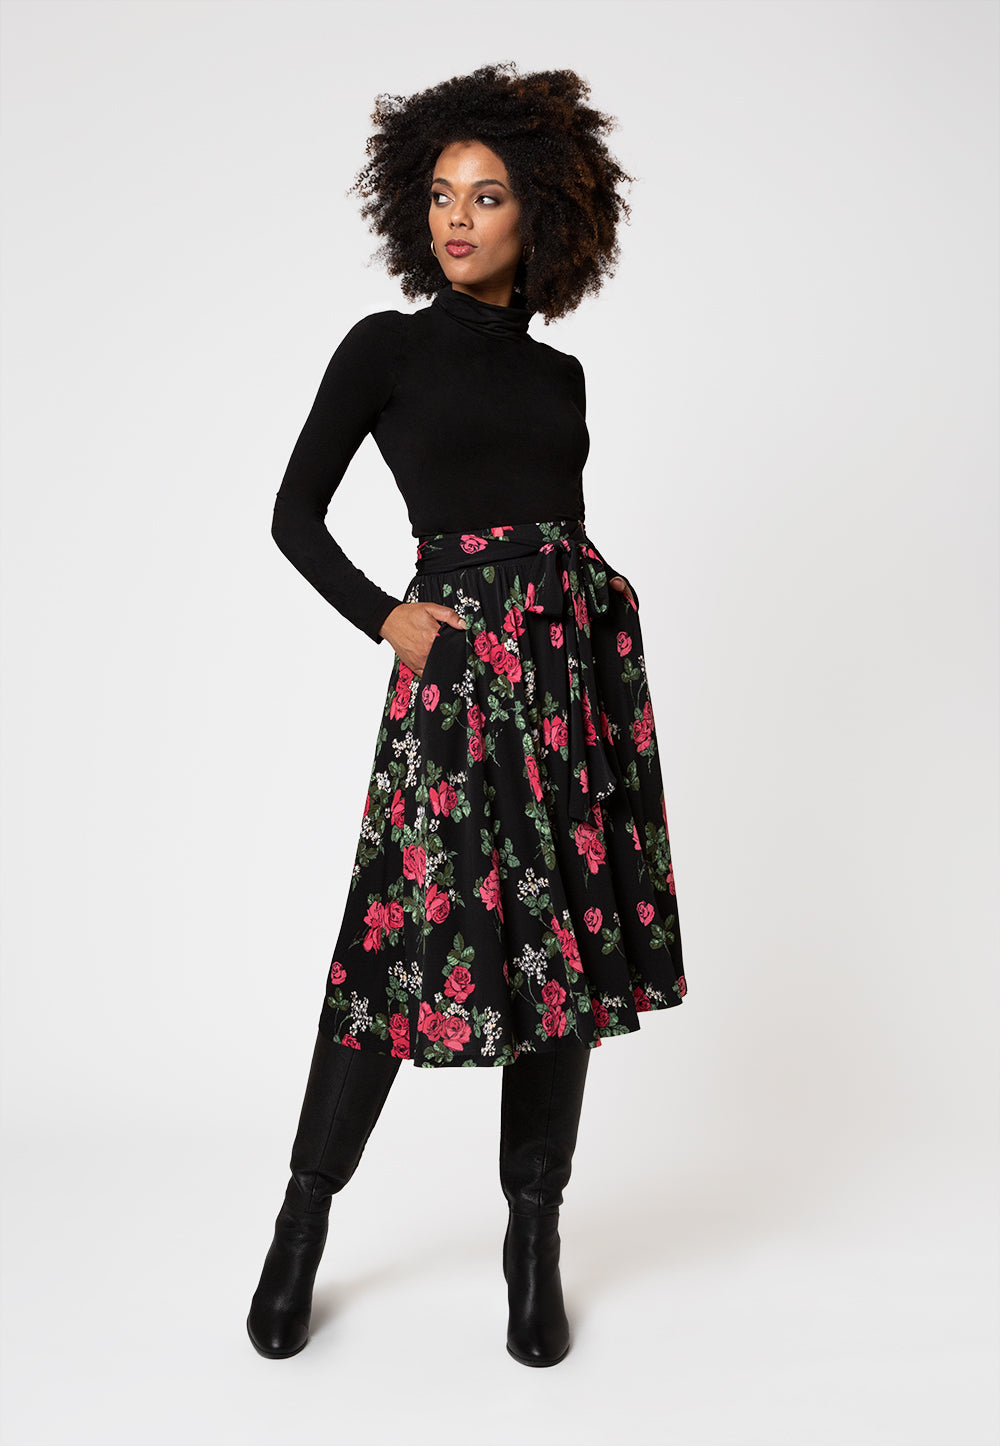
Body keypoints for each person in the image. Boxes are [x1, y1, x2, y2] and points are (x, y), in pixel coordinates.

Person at [247, 61, 687, 1368]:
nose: (458, 217)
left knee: (561, 953)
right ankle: (302, 1220)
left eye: (487, 196)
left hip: (569, 680)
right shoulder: (384, 350)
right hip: (457, 676)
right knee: (396, 941)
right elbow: (293, 515)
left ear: (541, 211)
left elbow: (558, 522)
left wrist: (593, 610)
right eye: (441, 194)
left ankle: (533, 1234)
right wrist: (387, 615)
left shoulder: (564, 378)